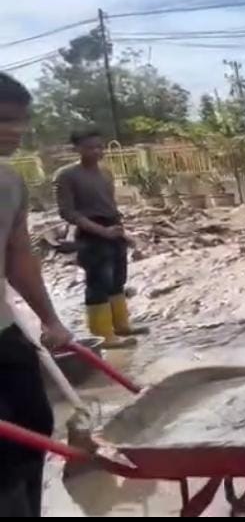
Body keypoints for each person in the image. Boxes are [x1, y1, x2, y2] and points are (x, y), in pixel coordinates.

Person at [1, 72, 75, 517]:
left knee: (36, 424)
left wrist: (50, 320)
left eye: (20, 120)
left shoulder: (10, 182)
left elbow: (19, 257)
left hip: (4, 331)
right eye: (4, 120)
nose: (17, 131)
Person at [54, 130, 146, 349]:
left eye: (99, 146)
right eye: (89, 147)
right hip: (90, 232)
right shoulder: (66, 175)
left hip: (113, 227)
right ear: (76, 149)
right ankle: (103, 335)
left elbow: (110, 205)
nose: (96, 151)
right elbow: (68, 212)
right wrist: (101, 231)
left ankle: (120, 325)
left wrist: (123, 234)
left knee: (117, 279)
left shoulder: (105, 172)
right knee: (98, 282)